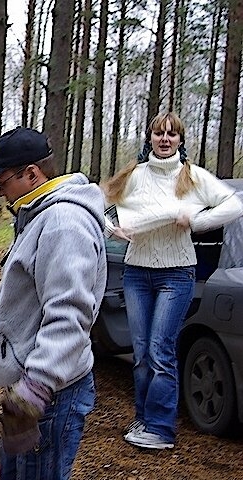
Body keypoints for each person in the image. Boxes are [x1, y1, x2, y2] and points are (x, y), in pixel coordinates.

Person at [0, 126, 107, 480]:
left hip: (51, 397)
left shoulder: (63, 223)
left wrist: (36, 387)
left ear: (32, 173)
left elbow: (69, 312)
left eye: (3, 182)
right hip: (37, 393)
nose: (0, 190)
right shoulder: (38, 216)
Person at [101, 112, 243, 450]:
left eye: (171, 134)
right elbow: (100, 206)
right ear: (149, 138)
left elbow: (234, 204)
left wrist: (195, 220)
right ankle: (143, 419)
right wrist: (113, 230)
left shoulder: (192, 176)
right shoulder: (134, 175)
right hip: (136, 274)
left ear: (180, 140)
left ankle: (161, 430)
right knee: (141, 352)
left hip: (176, 274)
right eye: (158, 133)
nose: (164, 139)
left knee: (161, 350)